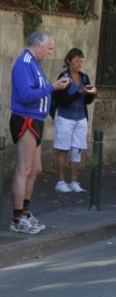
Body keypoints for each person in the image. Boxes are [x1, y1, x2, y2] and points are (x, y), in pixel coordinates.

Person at [9, 30, 71, 234]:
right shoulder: (24, 63)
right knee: (24, 169)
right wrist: (53, 87)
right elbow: (26, 95)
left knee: (35, 169)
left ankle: (25, 212)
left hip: (36, 119)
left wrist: (55, 88)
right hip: (26, 118)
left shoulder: (34, 63)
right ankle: (17, 218)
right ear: (38, 45)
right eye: (49, 48)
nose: (50, 52)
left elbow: (39, 92)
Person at [51, 48, 97, 194]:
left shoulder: (84, 77)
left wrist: (91, 93)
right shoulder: (64, 77)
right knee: (63, 149)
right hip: (65, 117)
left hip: (80, 117)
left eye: (81, 61)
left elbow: (87, 101)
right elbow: (62, 100)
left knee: (77, 149)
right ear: (69, 61)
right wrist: (80, 92)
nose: (79, 64)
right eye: (76, 61)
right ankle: (60, 181)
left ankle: (74, 181)